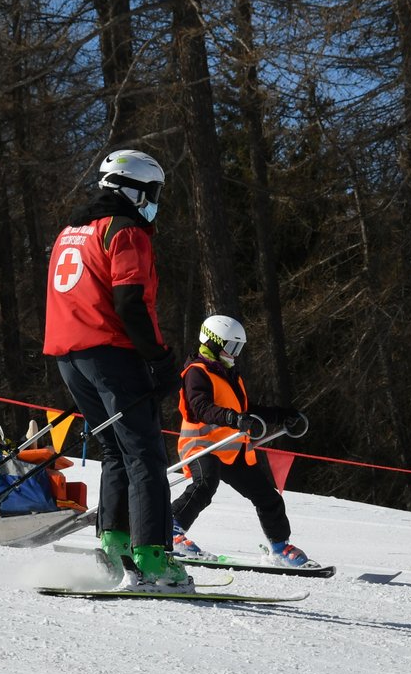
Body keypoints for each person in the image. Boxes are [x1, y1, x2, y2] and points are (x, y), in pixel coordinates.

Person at [43, 149, 189, 590]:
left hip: (70, 357)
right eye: (155, 191)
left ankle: (115, 548)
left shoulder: (73, 229)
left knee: (115, 453)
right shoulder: (126, 231)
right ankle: (153, 561)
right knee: (145, 454)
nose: (156, 200)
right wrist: (160, 359)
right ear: (136, 189)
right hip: (110, 354)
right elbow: (129, 302)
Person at [170, 315, 312, 566]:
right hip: (202, 445)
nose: (235, 354)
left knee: (267, 496)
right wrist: (233, 419)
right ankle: (170, 530)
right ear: (213, 343)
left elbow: (245, 409)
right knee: (205, 485)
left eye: (238, 348)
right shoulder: (197, 372)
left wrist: (281, 415)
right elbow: (201, 408)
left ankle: (280, 547)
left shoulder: (228, 374)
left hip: (230, 449)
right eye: (231, 346)